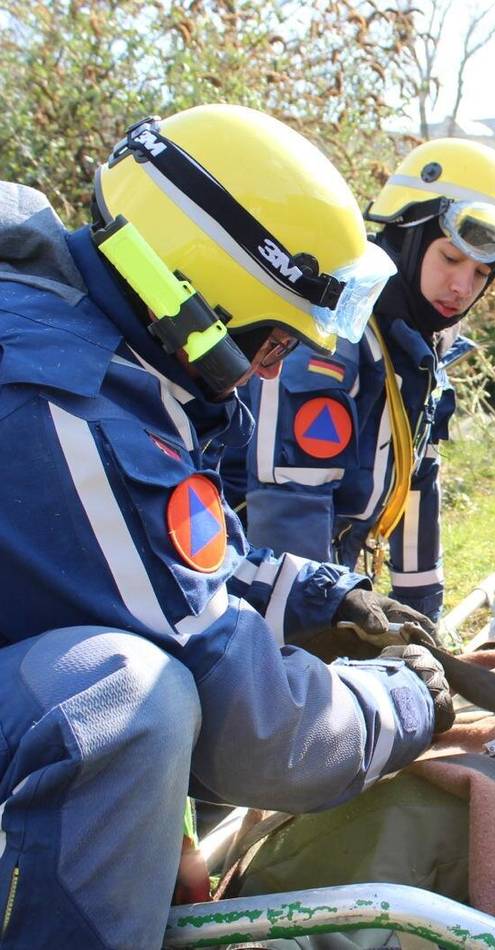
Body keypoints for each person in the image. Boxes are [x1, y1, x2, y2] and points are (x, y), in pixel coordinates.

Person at [0, 104, 455, 949]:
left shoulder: (91, 341)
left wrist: (327, 599)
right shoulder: (67, 407)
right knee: (125, 701)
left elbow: (175, 563)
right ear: (206, 293)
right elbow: (267, 741)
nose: (273, 366)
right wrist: (404, 702)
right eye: (276, 339)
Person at [225, 138, 495, 623]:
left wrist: (424, 622)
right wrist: (327, 641)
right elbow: (289, 512)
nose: (462, 288)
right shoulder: (333, 336)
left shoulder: (421, 354)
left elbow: (419, 492)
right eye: (450, 259)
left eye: (481, 274)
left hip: (330, 578)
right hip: (245, 591)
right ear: (408, 239)